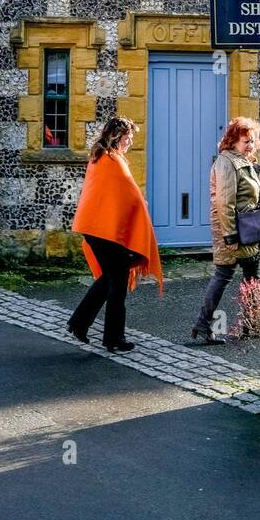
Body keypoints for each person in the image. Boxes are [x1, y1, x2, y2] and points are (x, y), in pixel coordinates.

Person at [67, 116, 163, 352]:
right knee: (117, 284)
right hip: (104, 231)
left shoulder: (99, 157)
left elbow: (119, 195)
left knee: (110, 279)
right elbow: (130, 194)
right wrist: (143, 206)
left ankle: (80, 323)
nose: (130, 141)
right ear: (116, 136)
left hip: (95, 228)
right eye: (127, 136)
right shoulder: (113, 161)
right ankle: (113, 338)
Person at [191, 116, 260, 343]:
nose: (250, 145)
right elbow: (225, 203)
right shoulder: (227, 163)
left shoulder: (242, 160)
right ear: (232, 141)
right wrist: (230, 235)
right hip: (233, 231)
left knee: (252, 274)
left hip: (247, 229)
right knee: (224, 275)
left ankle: (251, 324)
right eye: (245, 141)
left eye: (252, 141)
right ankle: (203, 325)